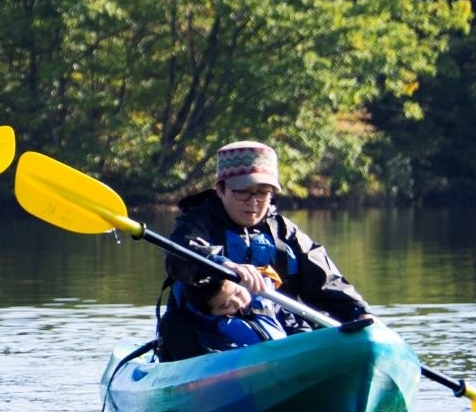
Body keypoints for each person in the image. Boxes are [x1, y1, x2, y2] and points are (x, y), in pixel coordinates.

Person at [157, 139, 369, 360]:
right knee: (176, 327)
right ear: (220, 189)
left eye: (263, 192)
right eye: (243, 192)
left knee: (324, 328)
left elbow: (327, 283)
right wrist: (224, 264)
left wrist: (359, 313)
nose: (254, 202)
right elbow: (180, 257)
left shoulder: (284, 232)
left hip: (276, 332)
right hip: (204, 337)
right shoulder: (196, 222)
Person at [155, 271, 290, 361]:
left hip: (280, 356)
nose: (238, 304)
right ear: (210, 313)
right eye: (225, 306)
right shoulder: (199, 330)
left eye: (237, 293)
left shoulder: (267, 299)